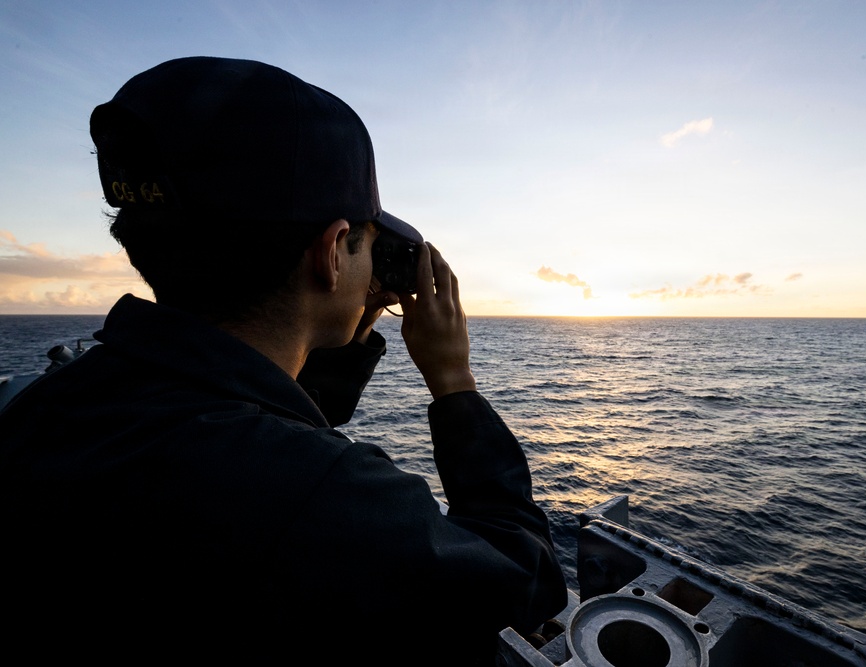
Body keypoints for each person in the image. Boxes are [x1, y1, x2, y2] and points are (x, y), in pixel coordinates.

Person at [0, 57, 566, 663]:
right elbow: (520, 579)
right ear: (330, 254)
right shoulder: (323, 498)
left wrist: (339, 324)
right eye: (366, 244)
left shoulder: (44, 405)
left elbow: (256, 411)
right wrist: (454, 383)